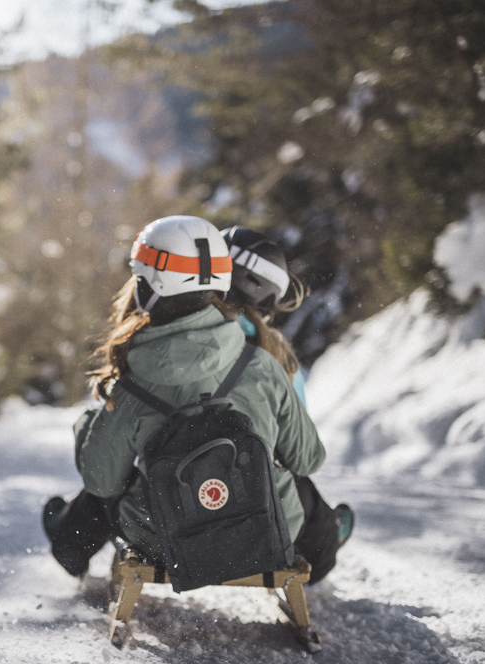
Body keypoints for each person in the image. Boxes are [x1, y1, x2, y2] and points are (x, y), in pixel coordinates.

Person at [43, 215, 348, 583]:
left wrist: (89, 426)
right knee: (294, 486)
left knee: (117, 482)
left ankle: (68, 541)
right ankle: (320, 548)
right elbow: (309, 458)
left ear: (147, 288)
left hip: (166, 540)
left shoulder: (134, 382)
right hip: (263, 528)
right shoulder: (264, 365)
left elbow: (100, 481)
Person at [220, 224, 354, 579]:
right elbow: (301, 453)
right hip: (253, 520)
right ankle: (326, 537)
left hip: (173, 504)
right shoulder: (275, 356)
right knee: (294, 480)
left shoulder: (171, 336)